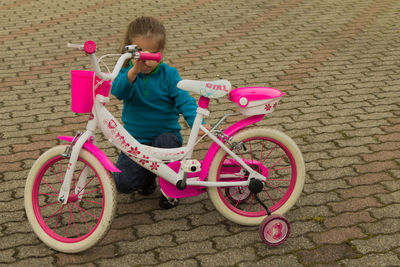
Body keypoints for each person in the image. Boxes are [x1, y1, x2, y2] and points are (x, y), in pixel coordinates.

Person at [111, 16, 208, 209]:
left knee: (167, 144)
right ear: (130, 51)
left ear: (160, 52)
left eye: (152, 54)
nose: (147, 62)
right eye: (141, 54)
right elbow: (118, 92)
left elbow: (184, 101)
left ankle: (170, 189)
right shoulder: (126, 73)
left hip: (165, 137)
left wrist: (198, 125)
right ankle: (147, 178)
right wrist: (133, 72)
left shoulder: (169, 75)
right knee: (123, 183)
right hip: (135, 140)